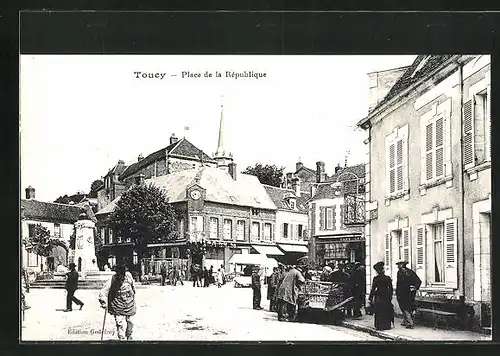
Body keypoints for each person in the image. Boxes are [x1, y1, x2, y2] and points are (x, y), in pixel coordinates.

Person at [99, 264, 136, 341]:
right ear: (117, 273)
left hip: (129, 303)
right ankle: (121, 338)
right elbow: (103, 292)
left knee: (131, 321)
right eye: (120, 274)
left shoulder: (129, 276)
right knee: (120, 323)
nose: (121, 276)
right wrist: (104, 302)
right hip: (117, 304)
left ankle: (129, 335)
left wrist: (132, 294)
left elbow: (133, 286)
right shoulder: (112, 279)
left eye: (123, 273)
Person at [368, 261, 394, 330]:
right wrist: (390, 297)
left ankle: (379, 325)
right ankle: (387, 325)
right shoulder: (388, 278)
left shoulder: (376, 278)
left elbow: (373, 289)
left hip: (379, 296)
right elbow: (391, 289)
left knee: (379, 311)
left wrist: (370, 298)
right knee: (386, 310)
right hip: (386, 296)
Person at [395, 260, 421, 329]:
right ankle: (405, 321)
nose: (398, 266)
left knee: (405, 307)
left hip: (406, 293)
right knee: (405, 307)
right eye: (398, 264)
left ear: (403, 265)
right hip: (404, 293)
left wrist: (415, 287)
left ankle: (410, 323)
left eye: (399, 264)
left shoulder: (408, 272)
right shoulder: (400, 272)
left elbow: (418, 281)